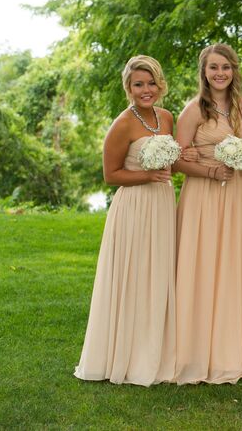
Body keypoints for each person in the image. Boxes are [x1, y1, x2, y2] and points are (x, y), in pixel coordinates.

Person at [74, 55, 176, 386]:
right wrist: (146, 175)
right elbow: (111, 174)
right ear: (128, 88)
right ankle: (124, 355)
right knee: (133, 275)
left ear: (160, 84)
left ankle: (155, 351)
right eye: (138, 85)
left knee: (158, 273)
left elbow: (171, 162)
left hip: (162, 203)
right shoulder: (122, 124)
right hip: (134, 207)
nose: (145, 90)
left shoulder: (167, 118)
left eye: (150, 83)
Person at [172, 44, 242, 384]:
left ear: (234, 70)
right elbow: (176, 159)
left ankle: (229, 348)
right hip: (203, 196)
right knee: (202, 265)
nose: (219, 73)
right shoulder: (193, 110)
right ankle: (193, 351)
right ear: (204, 73)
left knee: (232, 266)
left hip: (237, 194)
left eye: (225, 67)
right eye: (213, 68)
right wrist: (208, 171)